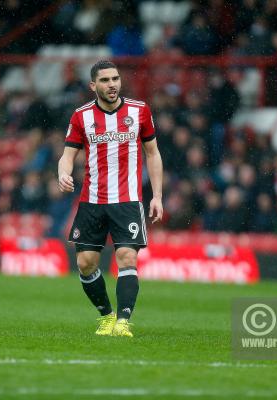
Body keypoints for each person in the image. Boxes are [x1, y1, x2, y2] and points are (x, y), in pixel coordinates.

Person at [58, 60, 163, 337]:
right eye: (104, 80)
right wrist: (63, 174)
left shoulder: (139, 111)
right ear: (93, 86)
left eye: (115, 79)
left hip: (128, 200)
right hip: (92, 201)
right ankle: (106, 315)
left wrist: (158, 196)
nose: (112, 84)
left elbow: (152, 154)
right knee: (85, 263)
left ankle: (123, 322)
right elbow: (67, 156)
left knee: (127, 257)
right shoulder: (81, 116)